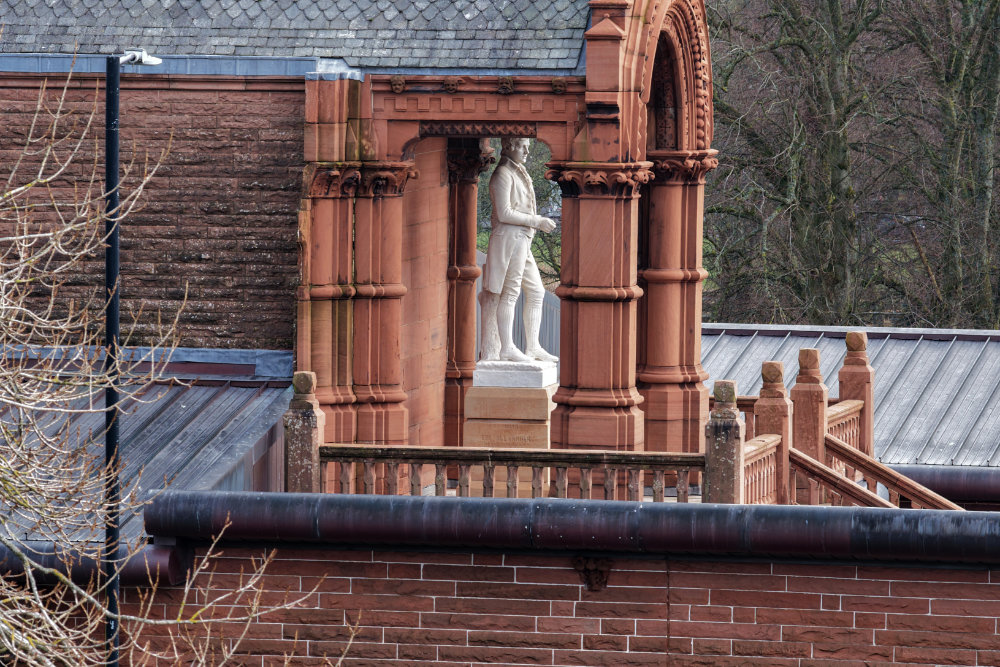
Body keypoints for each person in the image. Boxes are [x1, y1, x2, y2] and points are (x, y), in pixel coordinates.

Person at [479, 137, 558, 363]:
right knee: (510, 292)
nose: (526, 152)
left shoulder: (517, 171)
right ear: (509, 146)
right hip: (510, 239)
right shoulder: (502, 174)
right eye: (522, 147)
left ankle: (532, 347)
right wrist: (537, 221)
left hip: (522, 239)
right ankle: (508, 348)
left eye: (528, 147)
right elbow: (504, 213)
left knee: (536, 291)